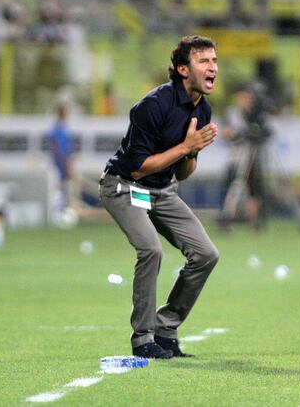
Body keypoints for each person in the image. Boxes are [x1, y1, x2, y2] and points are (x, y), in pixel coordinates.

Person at [98, 35, 220, 360]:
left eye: (214, 61)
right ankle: (143, 338)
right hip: (124, 187)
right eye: (204, 61)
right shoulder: (153, 105)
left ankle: (165, 329)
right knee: (151, 250)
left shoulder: (202, 110)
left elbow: (182, 173)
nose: (213, 67)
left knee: (206, 254)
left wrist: (191, 153)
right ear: (183, 69)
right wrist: (185, 147)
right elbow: (137, 169)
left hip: (163, 190)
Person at [218, 85, 266, 232]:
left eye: (249, 98)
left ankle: (255, 221)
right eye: (245, 97)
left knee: (254, 188)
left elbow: (262, 131)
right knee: (235, 186)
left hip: (252, 154)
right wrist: (239, 134)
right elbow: (226, 134)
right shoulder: (231, 113)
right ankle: (227, 218)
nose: (247, 101)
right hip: (237, 155)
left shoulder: (255, 113)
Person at [48, 104, 73, 213]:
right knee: (58, 187)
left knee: (65, 187)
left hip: (63, 162)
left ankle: (63, 210)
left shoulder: (64, 128)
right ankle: (57, 212)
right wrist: (65, 164)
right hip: (59, 163)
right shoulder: (57, 129)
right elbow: (56, 147)